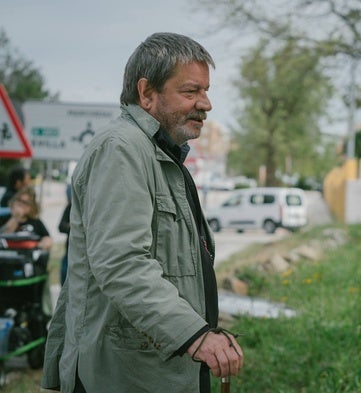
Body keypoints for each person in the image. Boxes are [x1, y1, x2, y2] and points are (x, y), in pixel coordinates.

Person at [41, 32, 243, 393]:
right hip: (123, 375)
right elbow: (121, 263)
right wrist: (196, 336)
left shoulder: (159, 154)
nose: (206, 103)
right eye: (191, 91)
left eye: (207, 90)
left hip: (154, 371)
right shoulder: (121, 150)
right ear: (147, 93)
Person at [0, 185, 52, 250]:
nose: (20, 204)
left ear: (31, 207)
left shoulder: (36, 222)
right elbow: (4, 235)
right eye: (19, 200)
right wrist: (16, 217)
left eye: (25, 202)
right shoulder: (4, 218)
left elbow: (47, 238)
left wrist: (40, 245)